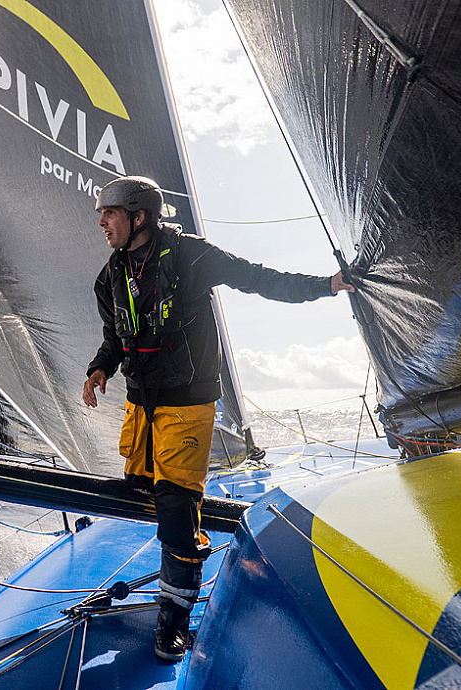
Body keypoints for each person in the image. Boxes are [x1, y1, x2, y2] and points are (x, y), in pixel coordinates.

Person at [81, 175, 353, 662]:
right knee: (140, 490)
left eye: (110, 213)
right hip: (140, 408)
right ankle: (179, 534)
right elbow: (114, 336)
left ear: (139, 217)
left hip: (187, 406)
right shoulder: (110, 277)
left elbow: (259, 278)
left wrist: (326, 286)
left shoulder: (191, 256)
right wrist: (100, 368)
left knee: (176, 511)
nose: (101, 221)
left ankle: (174, 622)